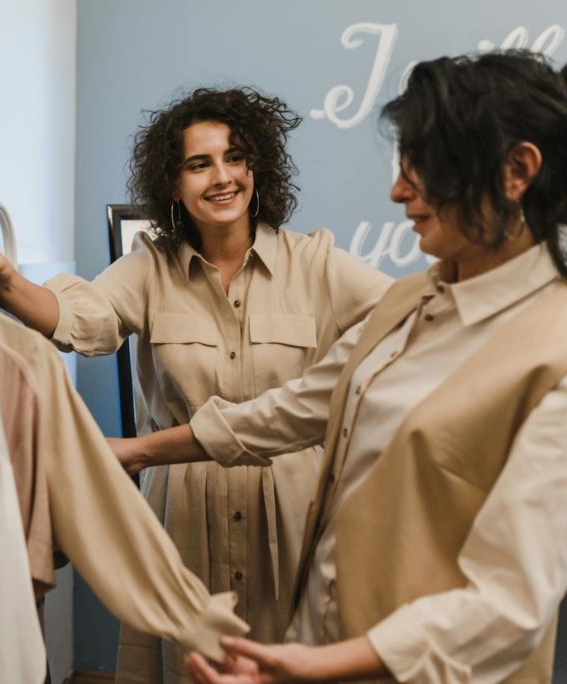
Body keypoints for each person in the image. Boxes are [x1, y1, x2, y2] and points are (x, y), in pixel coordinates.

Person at [108, 52, 567, 683]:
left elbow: (507, 604)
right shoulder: (411, 305)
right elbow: (290, 410)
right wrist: (139, 452)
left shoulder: (554, 351)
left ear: (518, 171)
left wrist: (321, 666)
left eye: (423, 166)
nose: (399, 191)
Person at [0, 87, 391, 682]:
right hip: (182, 514)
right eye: (199, 164)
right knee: (186, 667)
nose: (222, 177)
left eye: (235, 157)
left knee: (288, 662)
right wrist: (4, 280)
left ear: (256, 167)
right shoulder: (149, 269)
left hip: (291, 515)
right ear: (173, 183)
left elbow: (403, 320)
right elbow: (80, 318)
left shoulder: (316, 264)